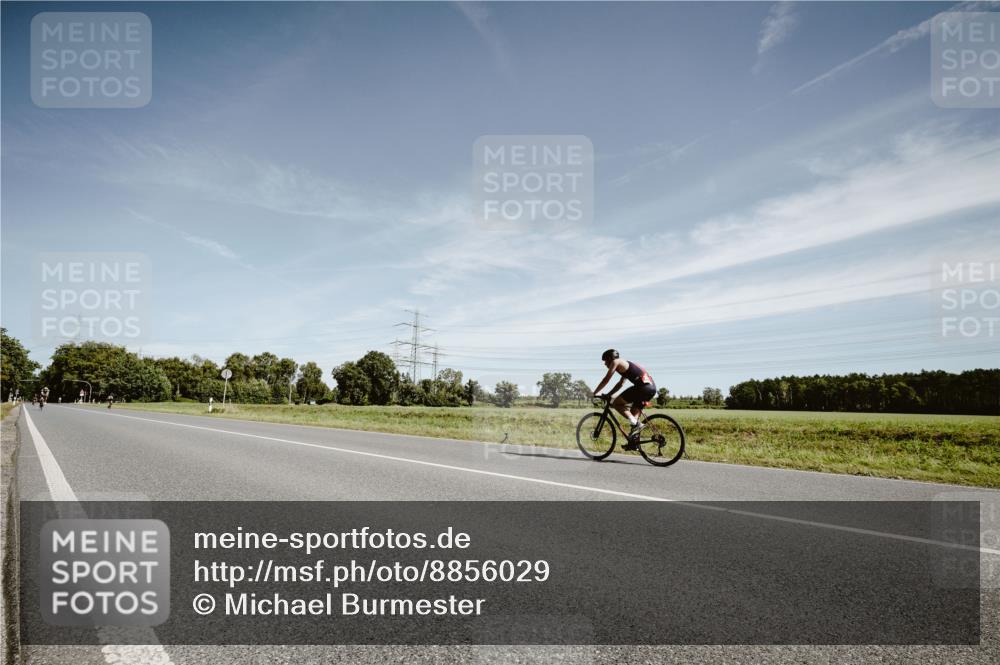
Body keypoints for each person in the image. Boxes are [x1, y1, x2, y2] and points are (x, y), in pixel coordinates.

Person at [592, 349, 657, 447]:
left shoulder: (616, 362)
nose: (605, 364)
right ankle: (634, 443)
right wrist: (609, 394)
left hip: (642, 388)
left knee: (617, 403)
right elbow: (620, 384)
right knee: (633, 417)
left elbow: (606, 379)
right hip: (650, 388)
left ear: (610, 359)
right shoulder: (625, 364)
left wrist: (595, 393)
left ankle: (637, 424)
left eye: (605, 361)